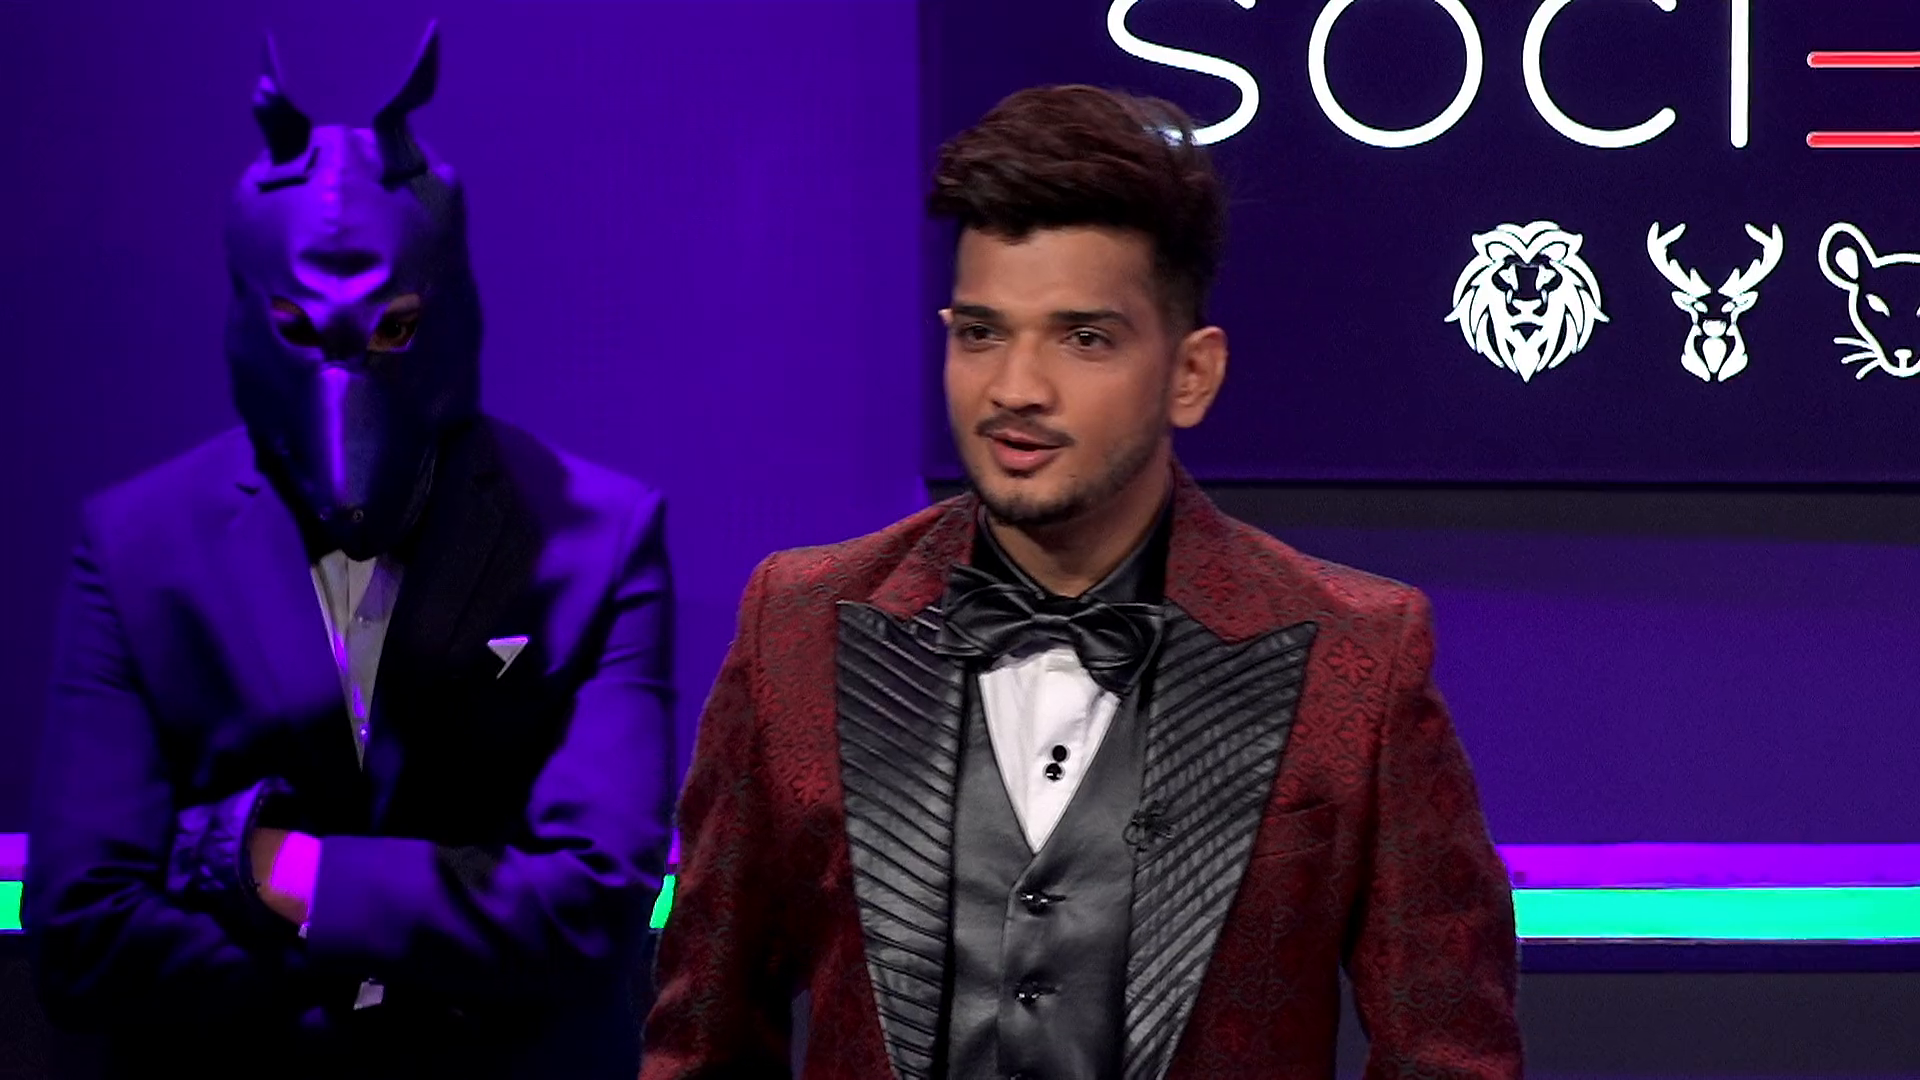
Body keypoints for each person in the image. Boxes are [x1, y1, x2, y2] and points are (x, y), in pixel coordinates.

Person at [642, 85, 1521, 1079]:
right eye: (981, 333)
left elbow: (1450, 1058)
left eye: (1084, 338)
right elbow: (702, 1042)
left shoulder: (1354, 657)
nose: (1016, 389)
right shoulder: (798, 626)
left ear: (1191, 374)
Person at [25, 25, 674, 1079]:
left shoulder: (597, 539)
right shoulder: (139, 547)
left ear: (442, 310)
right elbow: (83, 935)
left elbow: (592, 905)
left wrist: (275, 871)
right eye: (302, 329)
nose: (345, 395)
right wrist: (412, 959)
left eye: (391, 329)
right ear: (254, 316)